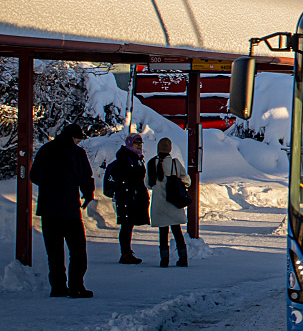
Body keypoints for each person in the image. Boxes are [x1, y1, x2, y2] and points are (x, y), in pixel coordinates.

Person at [30, 123, 95, 298]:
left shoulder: (45, 150)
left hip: (48, 209)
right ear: (74, 137)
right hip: (69, 209)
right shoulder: (76, 153)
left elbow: (33, 175)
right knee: (77, 250)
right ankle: (76, 286)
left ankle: (58, 287)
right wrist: (87, 194)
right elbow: (85, 176)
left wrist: (48, 186)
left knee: (54, 252)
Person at [104, 133, 150, 264]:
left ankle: (126, 252)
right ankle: (125, 253)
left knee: (128, 224)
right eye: (136, 143)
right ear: (130, 143)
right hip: (127, 197)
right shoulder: (126, 158)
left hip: (133, 196)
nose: (139, 145)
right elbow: (127, 177)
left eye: (141, 143)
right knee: (126, 224)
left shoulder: (137, 158)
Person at [147, 137, 190, 267]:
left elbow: (148, 183)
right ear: (170, 149)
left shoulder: (151, 163)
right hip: (173, 202)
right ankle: (183, 258)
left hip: (158, 203)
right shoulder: (175, 163)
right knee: (177, 231)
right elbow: (186, 180)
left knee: (163, 231)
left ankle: (164, 260)